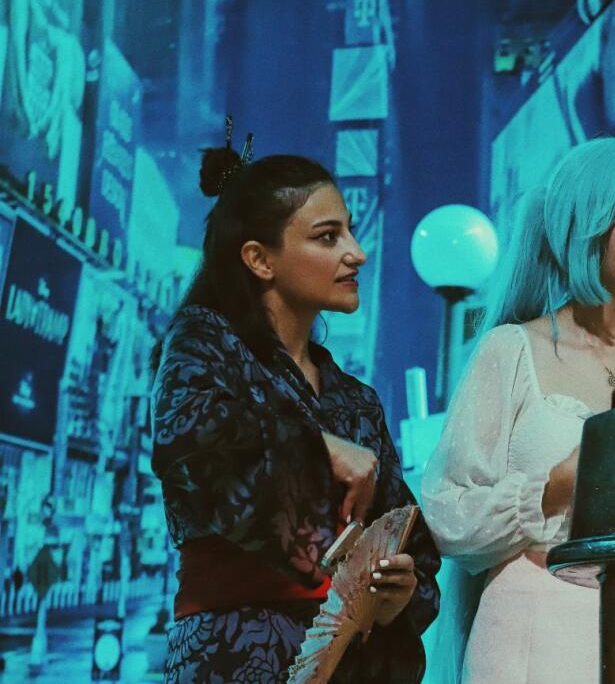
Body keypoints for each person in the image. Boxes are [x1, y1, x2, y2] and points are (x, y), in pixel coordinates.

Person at [421, 137, 615, 684]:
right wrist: (558, 483)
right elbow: (447, 516)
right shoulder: (512, 352)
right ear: (579, 224)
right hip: (530, 630)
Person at [151, 143, 440, 682]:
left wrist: (399, 592)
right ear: (259, 259)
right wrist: (321, 447)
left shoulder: (356, 400)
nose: (357, 253)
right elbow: (186, 434)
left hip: (350, 663)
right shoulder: (205, 342)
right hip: (234, 654)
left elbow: (412, 543)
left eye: (351, 232)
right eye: (328, 237)